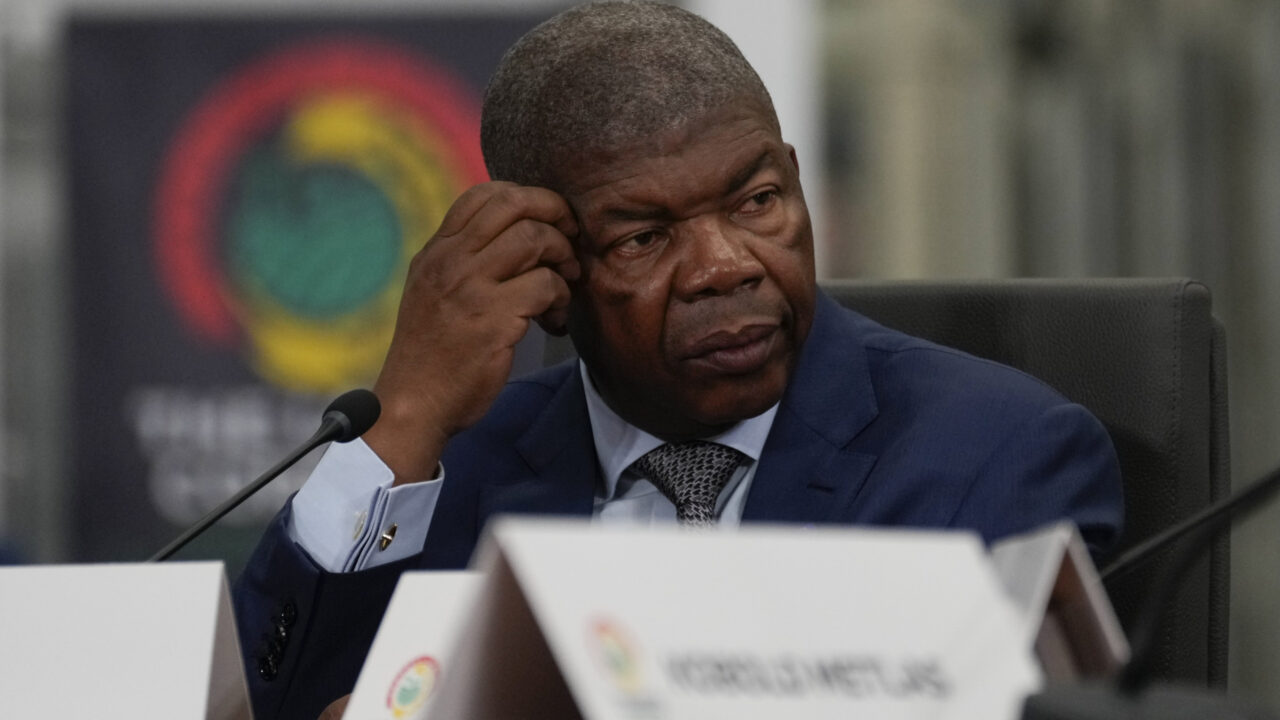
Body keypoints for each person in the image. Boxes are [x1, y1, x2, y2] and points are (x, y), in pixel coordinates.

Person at [234, 2, 1124, 718]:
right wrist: (407, 418)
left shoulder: (995, 458)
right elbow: (274, 702)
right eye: (645, 237)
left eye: (758, 200)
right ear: (547, 269)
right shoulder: (452, 470)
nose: (725, 265)